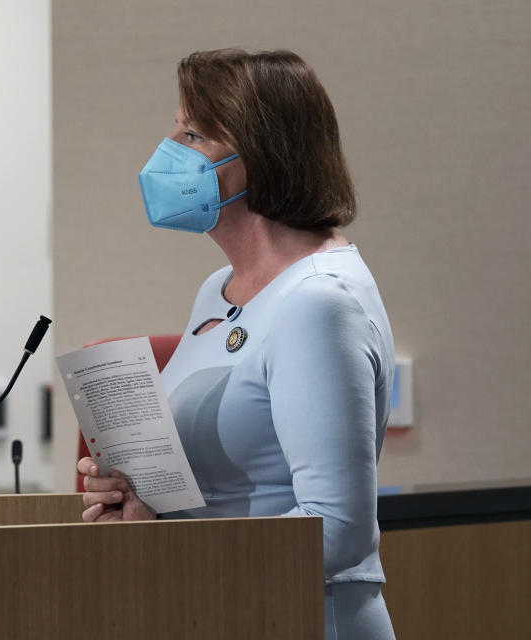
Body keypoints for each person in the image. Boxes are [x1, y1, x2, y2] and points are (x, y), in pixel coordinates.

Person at [77, 49, 396, 639]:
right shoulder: (217, 292)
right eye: (175, 128)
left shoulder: (317, 300)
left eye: (193, 134)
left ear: (261, 155)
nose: (167, 152)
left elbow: (336, 527)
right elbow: (220, 496)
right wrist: (143, 505)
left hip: (304, 615)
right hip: (223, 607)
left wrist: (172, 548)